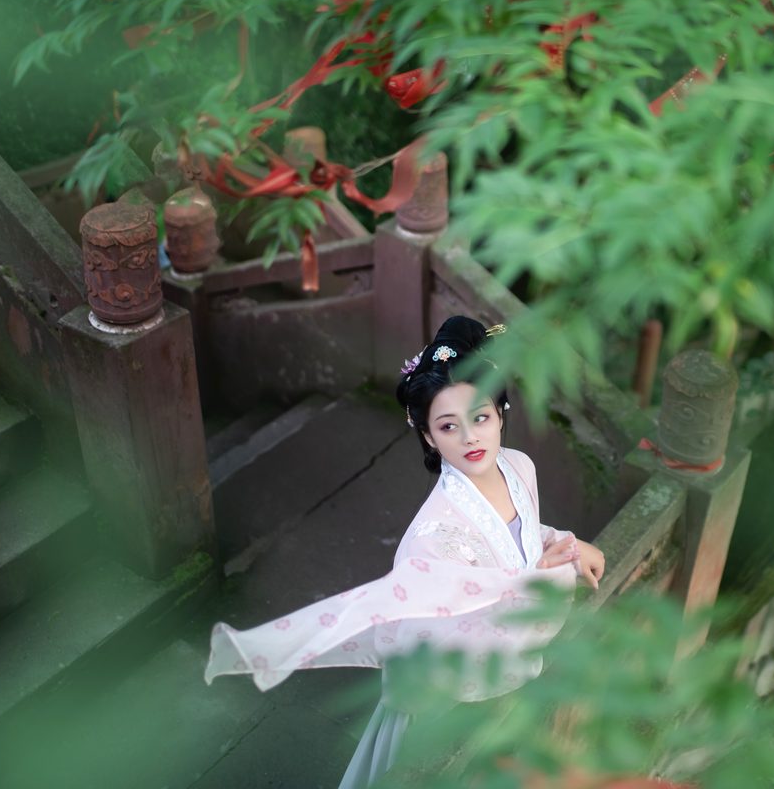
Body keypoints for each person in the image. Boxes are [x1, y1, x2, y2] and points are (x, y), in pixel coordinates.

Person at [204, 315, 606, 789]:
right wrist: (541, 580)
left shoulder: (519, 466)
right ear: (428, 435)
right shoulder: (432, 536)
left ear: (501, 413)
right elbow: (430, 644)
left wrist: (567, 545)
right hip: (449, 698)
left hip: (513, 672)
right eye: (448, 426)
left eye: (480, 417)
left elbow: (521, 537)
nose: (470, 437)